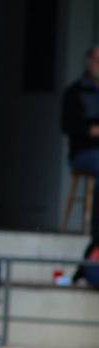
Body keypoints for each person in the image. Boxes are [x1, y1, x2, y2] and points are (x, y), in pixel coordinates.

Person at [62, 44, 99, 240]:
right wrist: (91, 131)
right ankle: (96, 232)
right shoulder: (75, 92)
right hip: (84, 153)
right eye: (97, 60)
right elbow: (68, 125)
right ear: (89, 62)